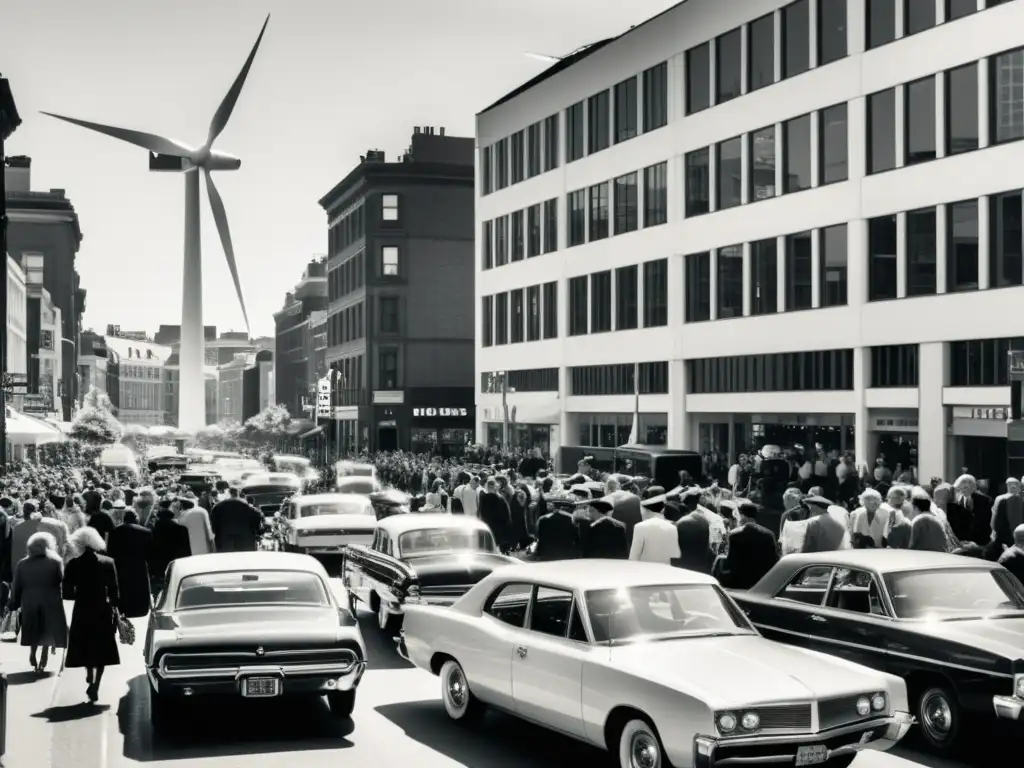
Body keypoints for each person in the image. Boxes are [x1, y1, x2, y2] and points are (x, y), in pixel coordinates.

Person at [63, 526, 120, 703]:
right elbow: (114, 591)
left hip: (82, 608)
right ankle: (96, 685)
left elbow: (66, 592)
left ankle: (88, 671)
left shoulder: (73, 564)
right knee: (102, 647)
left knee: (85, 642)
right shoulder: (108, 562)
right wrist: (116, 609)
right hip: (102, 607)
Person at [9, 531, 67, 673]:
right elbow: (61, 581)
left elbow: (16, 585)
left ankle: (32, 653)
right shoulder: (55, 562)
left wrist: (13, 603)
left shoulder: (22, 564)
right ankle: (44, 658)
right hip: (50, 601)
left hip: (29, 601)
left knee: (33, 628)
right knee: (47, 629)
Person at [718, 501, 778, 589]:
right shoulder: (769, 534)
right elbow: (774, 561)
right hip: (762, 583)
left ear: (742, 516)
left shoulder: (734, 534)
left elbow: (730, 562)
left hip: (739, 583)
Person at [106, 509, 153, 618]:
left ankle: (125, 608)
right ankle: (140, 609)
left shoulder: (115, 531)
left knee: (124, 588)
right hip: (139, 564)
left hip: (121, 565)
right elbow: (150, 552)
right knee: (139, 587)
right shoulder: (146, 531)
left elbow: (110, 551)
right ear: (135, 518)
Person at [149, 505, 192, 595]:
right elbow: (186, 549)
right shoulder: (181, 529)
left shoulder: (154, 530)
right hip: (176, 563)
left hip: (159, 566)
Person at [209, 488, 264, 552]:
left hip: (224, 543)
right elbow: (257, 523)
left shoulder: (217, 508)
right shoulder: (249, 508)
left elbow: (214, 529)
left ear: (228, 494)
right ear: (238, 494)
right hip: (246, 543)